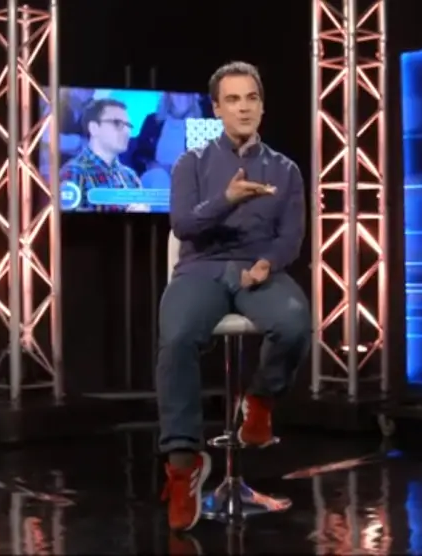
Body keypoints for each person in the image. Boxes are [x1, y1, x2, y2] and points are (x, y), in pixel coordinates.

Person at [157, 61, 311, 532]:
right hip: (201, 270)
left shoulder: (286, 170)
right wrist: (227, 199)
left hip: (257, 270)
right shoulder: (191, 163)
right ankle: (183, 465)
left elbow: (291, 237)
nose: (243, 108)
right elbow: (183, 225)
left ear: (262, 106)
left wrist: (268, 263)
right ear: (216, 109)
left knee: (294, 322)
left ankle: (260, 400)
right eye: (232, 100)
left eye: (251, 98)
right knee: (177, 338)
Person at [59, 98, 143, 212]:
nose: (126, 132)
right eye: (117, 123)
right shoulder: (74, 172)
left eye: (128, 126)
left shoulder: (130, 176)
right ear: (94, 128)